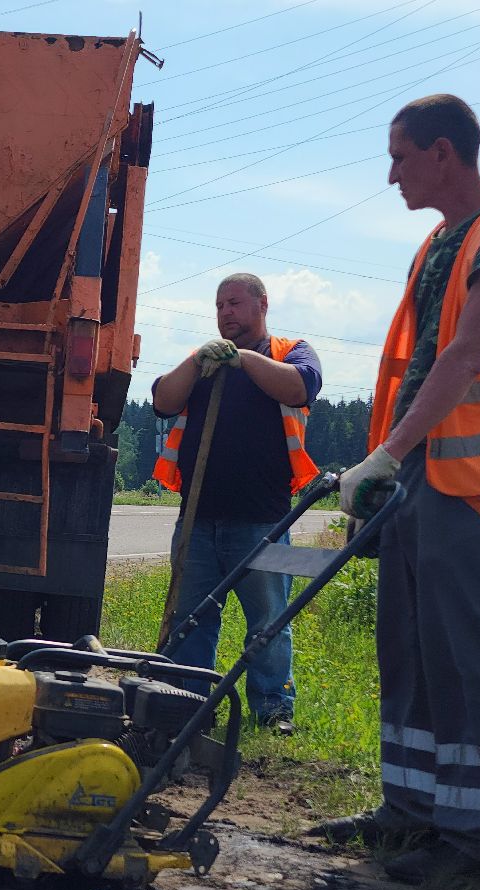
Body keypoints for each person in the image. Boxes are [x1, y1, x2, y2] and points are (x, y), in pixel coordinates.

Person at [310, 95, 480, 885]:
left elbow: (465, 355)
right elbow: (420, 360)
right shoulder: (437, 242)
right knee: (409, 647)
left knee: (464, 653)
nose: (391, 174)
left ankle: (473, 838)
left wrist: (386, 453)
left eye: (399, 156)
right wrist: (387, 463)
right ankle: (409, 808)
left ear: (441, 153)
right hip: (418, 475)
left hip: (469, 479)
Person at [150, 273, 322, 733]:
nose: (225, 312)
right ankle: (186, 702)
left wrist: (243, 358)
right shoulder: (204, 362)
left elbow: (300, 387)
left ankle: (273, 708)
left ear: (262, 305)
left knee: (269, 620)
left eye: (235, 303)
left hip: (263, 520)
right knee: (190, 618)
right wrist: (197, 360)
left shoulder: (290, 353)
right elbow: (163, 400)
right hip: (198, 520)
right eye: (220, 305)